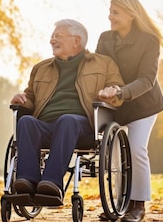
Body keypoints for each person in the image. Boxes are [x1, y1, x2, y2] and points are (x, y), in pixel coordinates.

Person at [9, 18, 124, 205]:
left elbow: (118, 91)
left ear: (76, 40)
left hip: (82, 125)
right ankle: (27, 182)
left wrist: (112, 92)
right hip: (46, 124)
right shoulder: (41, 68)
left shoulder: (103, 64)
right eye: (52, 36)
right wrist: (21, 99)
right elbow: (30, 97)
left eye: (58, 36)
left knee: (67, 120)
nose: (52, 40)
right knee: (26, 122)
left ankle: (51, 183)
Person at [95, 0, 163, 222]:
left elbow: (147, 80)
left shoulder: (148, 40)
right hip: (114, 105)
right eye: (110, 11)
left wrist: (121, 92)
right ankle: (121, 205)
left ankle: (138, 206)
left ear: (131, 14)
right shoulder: (105, 38)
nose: (110, 16)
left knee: (136, 148)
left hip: (143, 104)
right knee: (118, 156)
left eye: (115, 12)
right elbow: (99, 69)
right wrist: (103, 90)